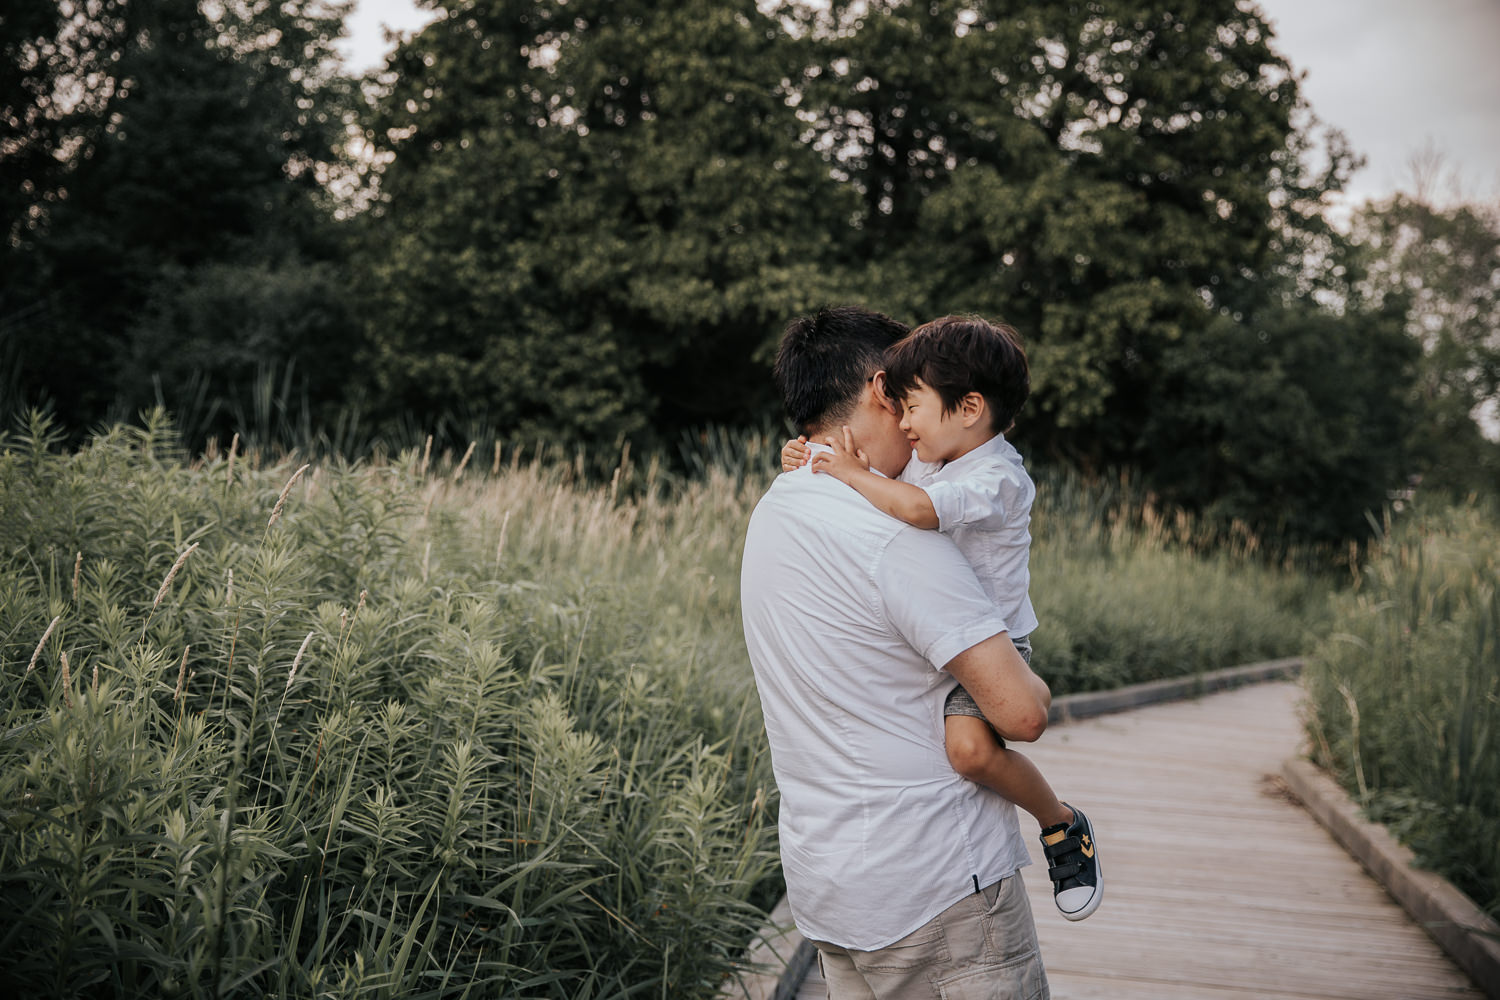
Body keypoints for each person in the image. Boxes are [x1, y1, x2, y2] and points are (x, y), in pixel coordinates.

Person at [740, 305, 1053, 998]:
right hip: (937, 893)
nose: (916, 429)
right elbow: (1020, 716)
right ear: (885, 390)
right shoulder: (899, 540)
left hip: (830, 890)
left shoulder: (775, 511)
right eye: (907, 400)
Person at [781, 315, 1103, 923]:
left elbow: (920, 511)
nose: (901, 424)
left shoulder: (996, 477)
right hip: (946, 639)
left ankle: (1061, 823)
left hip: (995, 641)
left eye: (912, 408)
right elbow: (880, 481)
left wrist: (846, 471)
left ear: (970, 406)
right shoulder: (933, 455)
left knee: (971, 753)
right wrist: (813, 454)